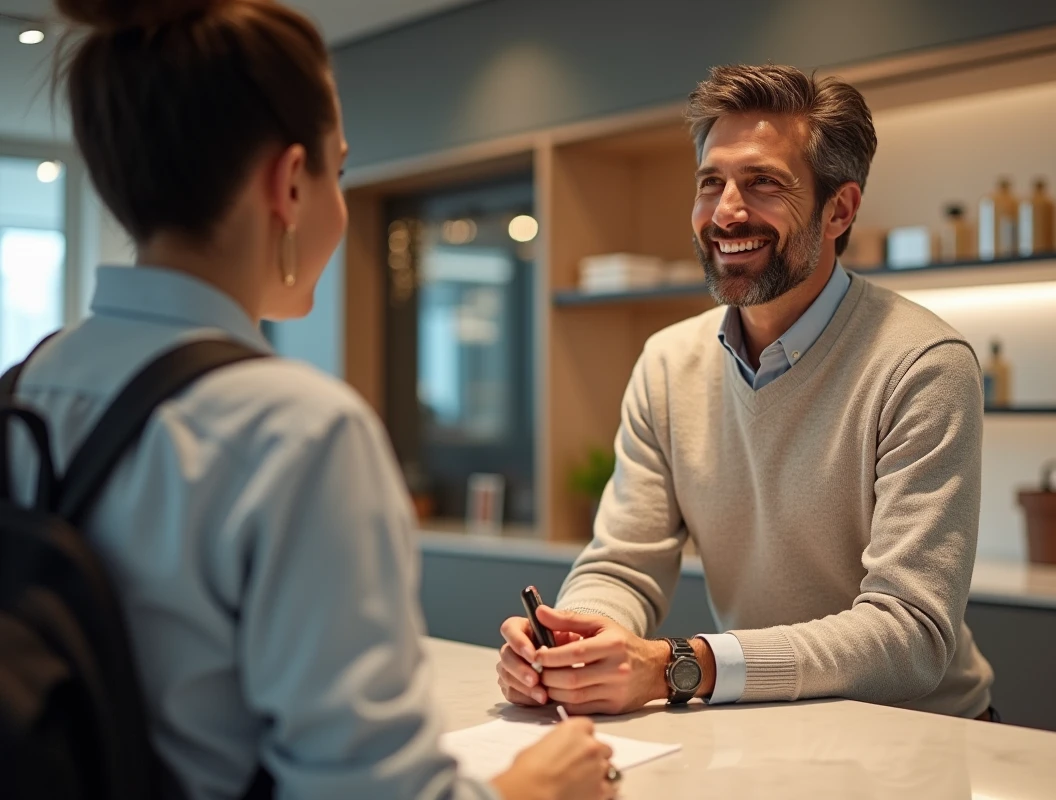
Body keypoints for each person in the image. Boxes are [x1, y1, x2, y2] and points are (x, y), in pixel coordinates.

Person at [8, 1, 616, 798]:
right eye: (338, 165)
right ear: (290, 182)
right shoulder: (296, 430)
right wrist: (532, 789)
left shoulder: (28, 388)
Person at [497, 64, 996, 720]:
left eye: (763, 183)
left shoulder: (924, 365)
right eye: (711, 183)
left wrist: (686, 665)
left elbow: (910, 633)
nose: (726, 212)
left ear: (839, 209)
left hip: (919, 737)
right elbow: (623, 562)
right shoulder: (668, 363)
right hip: (762, 724)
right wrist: (571, 641)